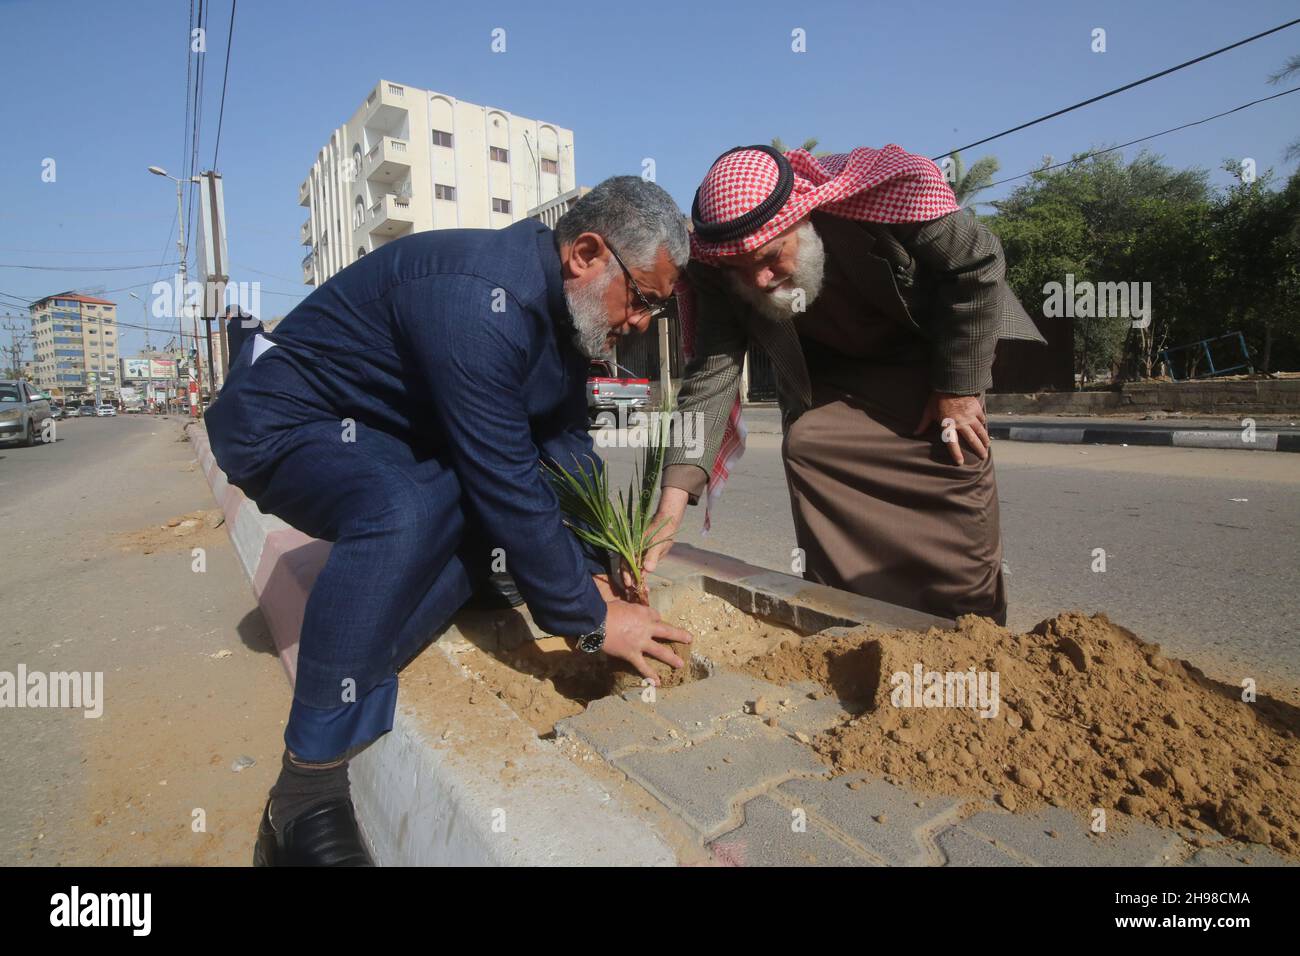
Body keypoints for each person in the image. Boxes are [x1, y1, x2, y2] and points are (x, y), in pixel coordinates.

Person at [205, 177, 693, 866]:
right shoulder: (480, 300)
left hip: (381, 432)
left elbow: (565, 448)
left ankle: (359, 637)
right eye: (642, 298)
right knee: (403, 509)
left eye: (656, 309)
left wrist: (597, 557)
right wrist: (588, 618)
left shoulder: (567, 317)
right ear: (587, 253)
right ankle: (306, 789)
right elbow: (505, 473)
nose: (642, 321)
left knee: (479, 530)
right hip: (285, 426)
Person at [647, 144, 1046, 625]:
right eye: (741, 268)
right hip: (831, 380)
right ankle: (850, 625)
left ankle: (968, 629)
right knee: (809, 444)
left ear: (805, 218)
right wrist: (671, 502)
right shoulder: (721, 268)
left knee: (955, 451)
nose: (762, 279)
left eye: (772, 256)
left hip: (929, 361)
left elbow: (978, 262)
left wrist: (958, 390)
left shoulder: (887, 197)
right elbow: (712, 373)